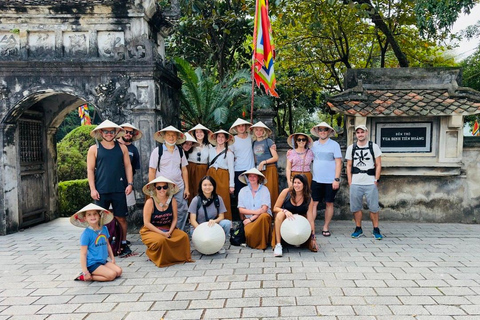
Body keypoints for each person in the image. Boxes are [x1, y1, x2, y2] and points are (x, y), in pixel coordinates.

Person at [87, 120, 133, 257]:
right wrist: (92, 189)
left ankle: (123, 243)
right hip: (101, 189)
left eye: (111, 131)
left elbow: (128, 166)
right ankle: (100, 245)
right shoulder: (94, 149)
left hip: (119, 188)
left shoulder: (122, 148)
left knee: (121, 218)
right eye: (106, 131)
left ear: (116, 133)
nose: (108, 134)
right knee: (99, 219)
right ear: (101, 133)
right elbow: (90, 170)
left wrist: (130, 183)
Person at [140, 176, 193, 267]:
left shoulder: (172, 200)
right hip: (151, 230)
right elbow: (147, 223)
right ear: (155, 189)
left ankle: (176, 257)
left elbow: (175, 219)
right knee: (161, 240)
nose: (162, 190)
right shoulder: (150, 202)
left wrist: (170, 231)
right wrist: (162, 233)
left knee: (183, 236)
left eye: (164, 187)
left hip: (167, 228)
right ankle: (154, 255)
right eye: (159, 187)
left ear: (168, 188)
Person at [148, 125, 190, 232]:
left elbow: (184, 170)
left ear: (177, 137)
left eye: (173, 135)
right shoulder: (157, 151)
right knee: (163, 210)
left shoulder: (180, 151)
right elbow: (152, 170)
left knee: (182, 209)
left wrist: (187, 188)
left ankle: (178, 231)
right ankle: (164, 231)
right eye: (168, 135)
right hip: (162, 187)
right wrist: (151, 188)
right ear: (164, 137)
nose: (171, 137)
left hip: (179, 186)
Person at [346, 125, 384, 239]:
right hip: (356, 181)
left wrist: (376, 180)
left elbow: (378, 164)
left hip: (370, 181)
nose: (360, 134)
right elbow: (348, 165)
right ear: (356, 134)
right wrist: (350, 181)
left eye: (362, 132)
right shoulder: (351, 148)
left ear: (366, 133)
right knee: (356, 207)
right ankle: (358, 228)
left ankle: (376, 229)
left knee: (373, 207)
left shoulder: (374, 147)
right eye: (358, 132)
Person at [70, 203, 122, 282]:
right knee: (112, 275)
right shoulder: (86, 234)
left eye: (95, 214)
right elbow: (83, 254)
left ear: (99, 215)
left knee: (118, 272)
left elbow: (107, 244)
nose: (93, 217)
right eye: (89, 215)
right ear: (85, 218)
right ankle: (83, 276)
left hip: (103, 261)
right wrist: (85, 271)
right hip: (92, 263)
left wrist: (112, 259)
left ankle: (102, 270)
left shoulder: (104, 229)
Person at [310, 122, 342, 238]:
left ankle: (326, 226)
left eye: (325, 130)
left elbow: (338, 163)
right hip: (316, 179)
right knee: (314, 203)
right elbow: (305, 155)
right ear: (317, 132)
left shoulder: (334, 145)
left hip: (330, 180)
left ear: (329, 132)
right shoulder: (313, 145)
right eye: (320, 130)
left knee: (329, 203)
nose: (322, 132)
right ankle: (311, 227)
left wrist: (336, 179)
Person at [272, 174, 317, 257]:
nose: (296, 185)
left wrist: (313, 238)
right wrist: (285, 211)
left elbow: (311, 219)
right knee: (280, 215)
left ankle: (300, 241)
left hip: (300, 223)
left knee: (313, 247)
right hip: (286, 220)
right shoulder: (286, 192)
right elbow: (275, 208)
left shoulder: (308, 198)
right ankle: (278, 245)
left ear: (304, 184)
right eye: (294, 182)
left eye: (299, 183)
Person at [189, 176, 232, 254]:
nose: (207, 187)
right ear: (201, 186)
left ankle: (219, 244)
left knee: (227, 223)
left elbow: (221, 216)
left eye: (210, 185)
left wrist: (214, 221)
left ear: (214, 186)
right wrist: (201, 229)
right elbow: (192, 220)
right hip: (199, 227)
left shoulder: (218, 199)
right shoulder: (196, 200)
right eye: (205, 185)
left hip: (213, 225)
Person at [237, 168, 272, 250]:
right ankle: (253, 241)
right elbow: (241, 209)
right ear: (247, 178)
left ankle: (263, 244)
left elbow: (264, 209)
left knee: (264, 216)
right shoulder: (242, 191)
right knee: (249, 233)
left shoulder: (264, 190)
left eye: (254, 176)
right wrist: (254, 212)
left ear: (258, 178)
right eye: (250, 176)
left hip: (262, 218)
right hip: (248, 218)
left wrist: (252, 218)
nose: (252, 178)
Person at [229, 118, 255, 220]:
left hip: (251, 170)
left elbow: (260, 146)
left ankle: (252, 218)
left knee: (252, 195)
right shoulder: (232, 140)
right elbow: (230, 157)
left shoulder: (251, 138)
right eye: (239, 126)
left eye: (243, 125)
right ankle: (242, 220)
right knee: (240, 197)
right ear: (236, 128)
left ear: (246, 127)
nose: (241, 128)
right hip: (238, 170)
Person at [206, 129, 235, 220]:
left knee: (223, 198)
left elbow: (231, 169)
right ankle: (211, 219)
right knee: (210, 196)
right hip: (211, 174)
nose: (220, 139)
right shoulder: (210, 150)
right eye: (219, 136)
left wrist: (231, 185)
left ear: (226, 139)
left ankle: (226, 221)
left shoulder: (229, 153)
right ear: (216, 138)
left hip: (223, 176)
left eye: (223, 137)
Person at [250, 121, 279, 208]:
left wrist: (264, 162)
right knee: (260, 191)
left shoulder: (268, 141)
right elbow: (255, 158)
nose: (258, 132)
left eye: (261, 130)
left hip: (270, 168)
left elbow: (275, 157)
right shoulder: (254, 143)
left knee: (271, 190)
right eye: (256, 130)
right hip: (259, 170)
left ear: (264, 132)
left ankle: (273, 213)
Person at [118, 123, 142, 208]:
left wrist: (130, 183)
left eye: (131, 133)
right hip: (112, 183)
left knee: (127, 209)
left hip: (126, 184)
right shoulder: (114, 145)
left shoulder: (134, 150)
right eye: (126, 131)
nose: (128, 134)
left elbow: (134, 168)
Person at [187, 124, 212, 203]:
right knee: (190, 189)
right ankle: (190, 211)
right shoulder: (190, 145)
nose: (199, 134)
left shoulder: (209, 146)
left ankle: (201, 210)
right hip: (190, 169)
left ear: (204, 133)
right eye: (197, 132)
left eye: (201, 132)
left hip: (203, 170)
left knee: (201, 189)